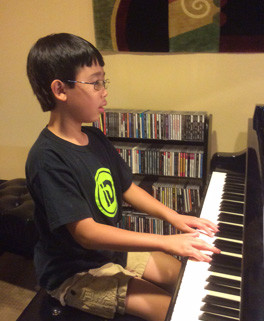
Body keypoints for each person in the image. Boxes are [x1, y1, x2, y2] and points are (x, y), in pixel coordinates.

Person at [25, 33, 220, 321]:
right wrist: (165, 241)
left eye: (104, 81)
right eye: (95, 82)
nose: (104, 91)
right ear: (60, 90)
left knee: (181, 273)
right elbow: (87, 234)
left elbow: (126, 187)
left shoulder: (92, 136)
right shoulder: (47, 158)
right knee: (175, 310)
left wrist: (174, 218)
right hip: (75, 272)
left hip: (107, 253)